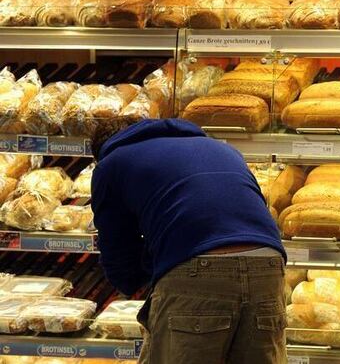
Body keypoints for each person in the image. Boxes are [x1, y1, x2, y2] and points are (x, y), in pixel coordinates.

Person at [90, 117, 287, 364]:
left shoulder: (112, 164)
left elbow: (118, 254)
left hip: (197, 270)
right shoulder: (222, 149)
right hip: (269, 265)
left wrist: (138, 282)